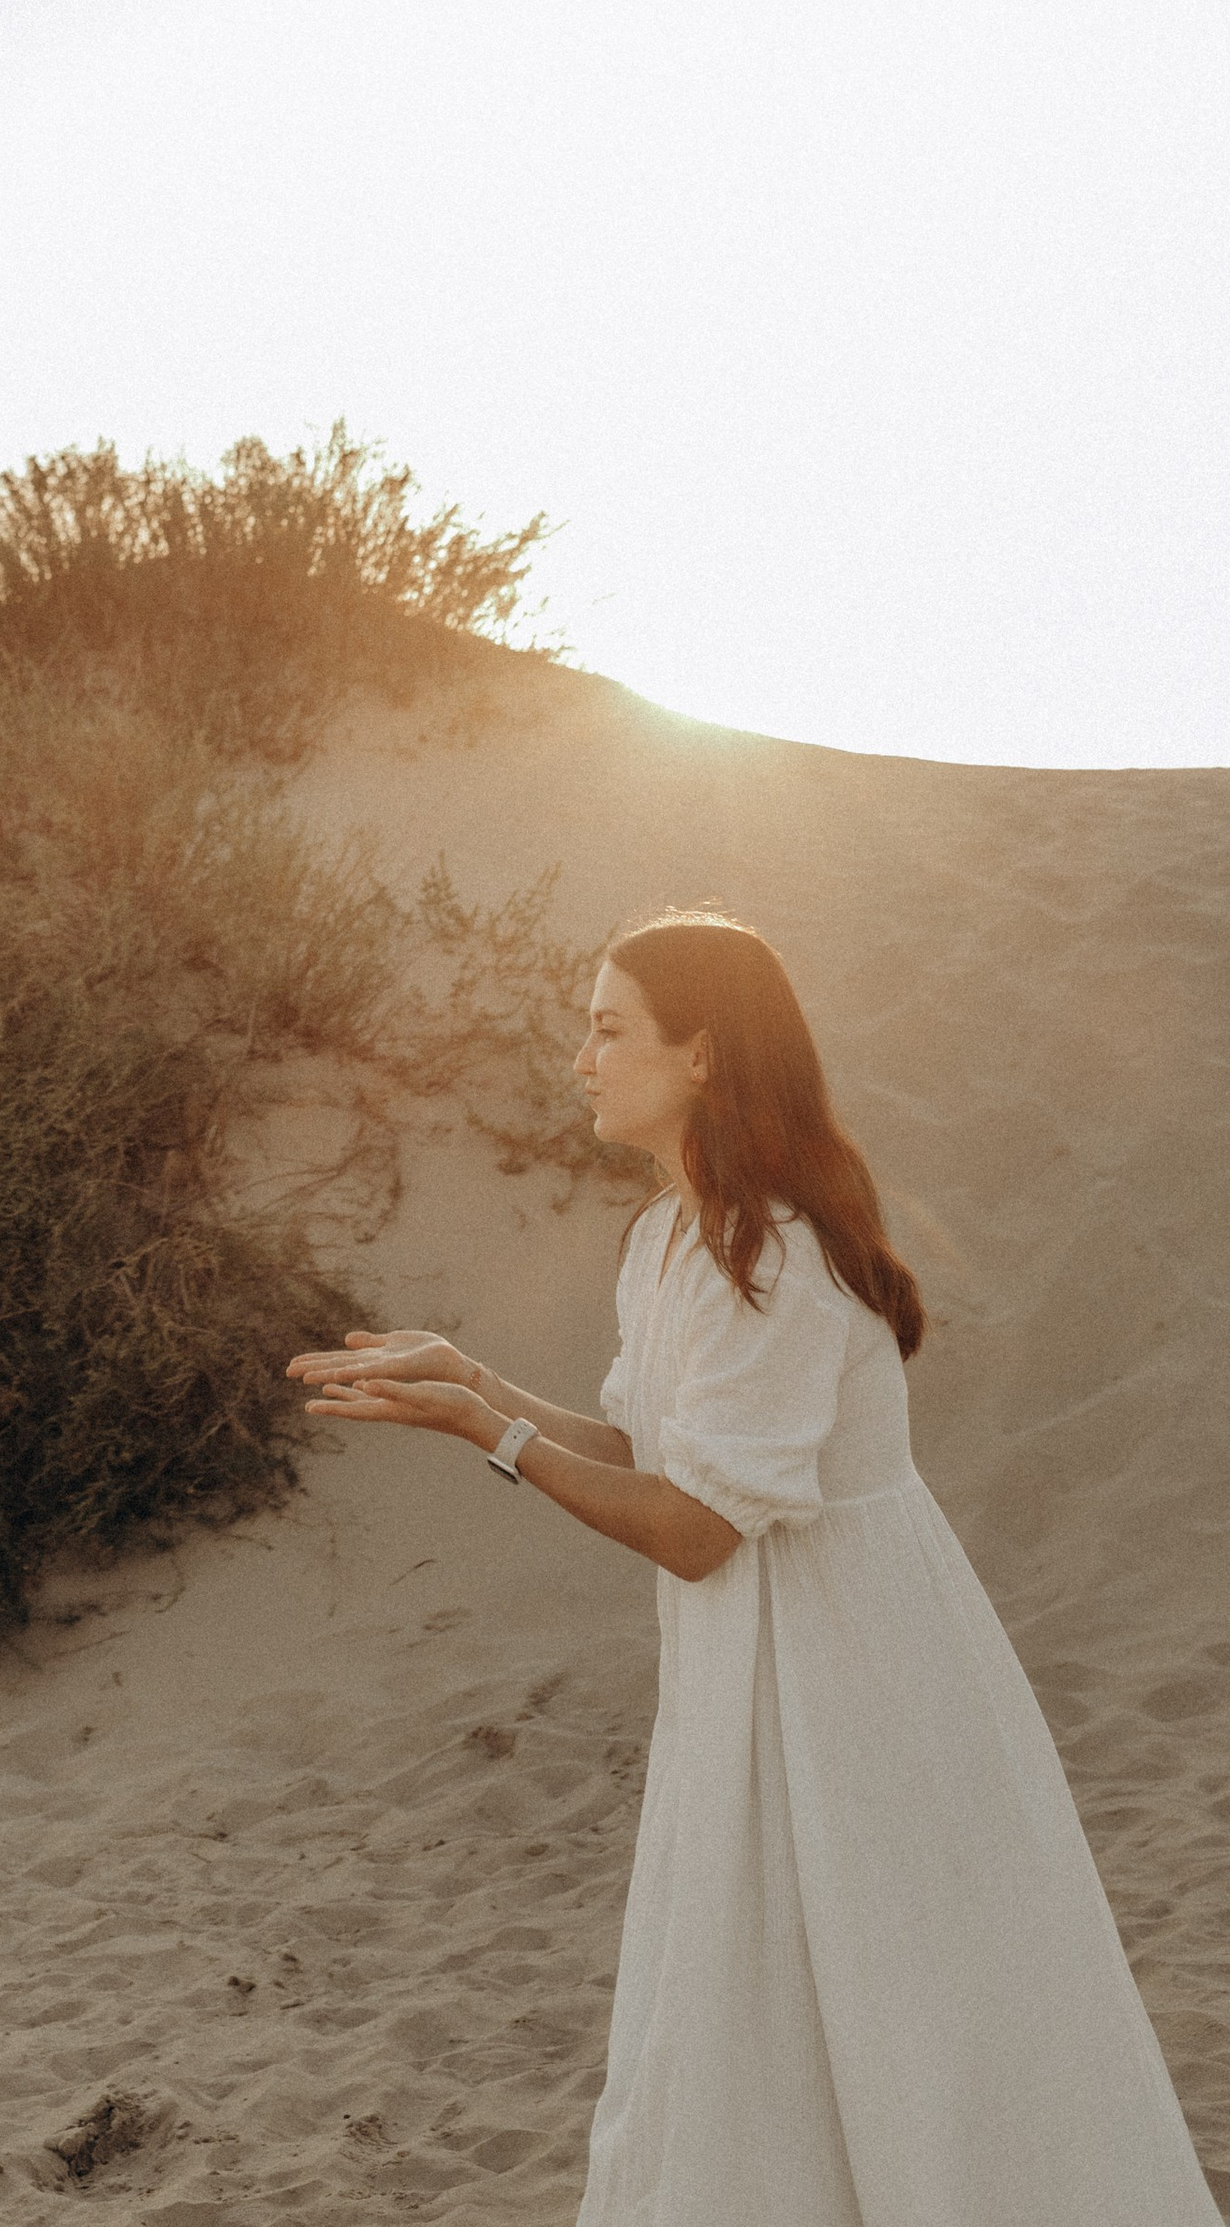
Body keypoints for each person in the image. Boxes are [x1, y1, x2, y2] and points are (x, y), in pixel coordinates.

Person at [288, 910, 1221, 2227]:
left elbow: (694, 1527)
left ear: (704, 1055)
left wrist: (484, 1435)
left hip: (858, 1685)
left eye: (610, 1029)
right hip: (748, 1678)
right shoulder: (673, 1241)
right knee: (743, 2025)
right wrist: (476, 1379)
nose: (581, 1059)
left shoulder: (771, 1257)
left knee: (907, 2036)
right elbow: (656, 1449)